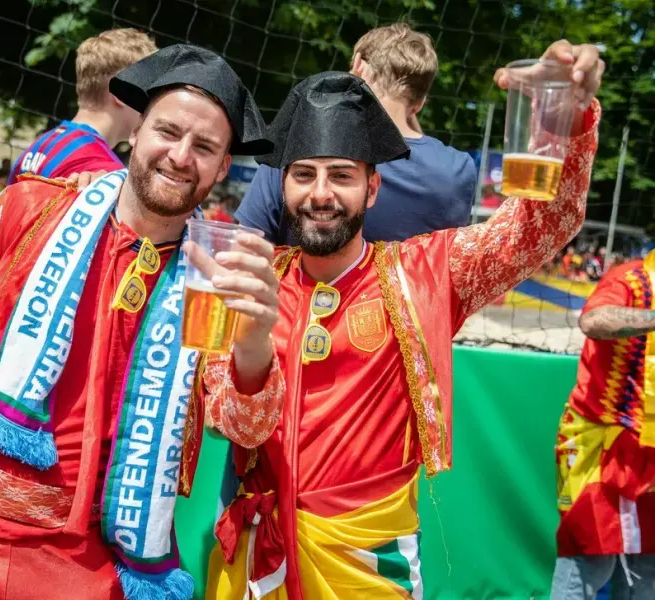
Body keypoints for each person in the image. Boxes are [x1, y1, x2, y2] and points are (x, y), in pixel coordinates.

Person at [0, 44, 285, 600]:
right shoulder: (27, 211)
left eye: (204, 147)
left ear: (225, 166)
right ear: (136, 129)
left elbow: (244, 427)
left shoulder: (216, 273)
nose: (181, 156)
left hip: (89, 560)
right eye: (168, 132)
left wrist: (253, 341)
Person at [206, 38, 604, 599]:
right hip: (254, 561)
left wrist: (566, 116)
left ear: (373, 187)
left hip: (370, 566)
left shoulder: (426, 273)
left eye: (341, 175)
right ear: (283, 185)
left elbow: (541, 226)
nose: (321, 194)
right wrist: (250, 345)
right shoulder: (253, 281)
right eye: (304, 175)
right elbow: (235, 427)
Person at [235, 23, 477, 245]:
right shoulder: (457, 171)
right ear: (420, 103)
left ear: (358, 67)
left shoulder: (297, 147)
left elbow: (246, 246)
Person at [551, 249, 655, 599]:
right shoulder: (632, 280)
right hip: (602, 445)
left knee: (647, 567)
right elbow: (593, 321)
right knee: (589, 558)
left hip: (649, 453)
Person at [8, 28, 157, 184]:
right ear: (121, 92)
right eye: (148, 90)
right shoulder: (104, 173)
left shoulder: (38, 146)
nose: (151, 102)